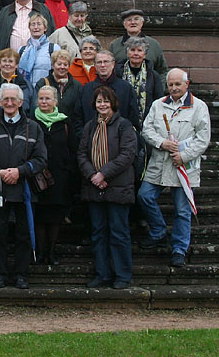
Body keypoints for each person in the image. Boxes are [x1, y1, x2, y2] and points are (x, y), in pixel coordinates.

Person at [138, 69, 211, 268]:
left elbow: (203, 138)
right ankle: (159, 231)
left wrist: (183, 156)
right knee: (144, 196)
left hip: (184, 167)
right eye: (170, 84)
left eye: (178, 84)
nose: (174, 88)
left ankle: (179, 249)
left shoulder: (199, 107)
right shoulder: (158, 104)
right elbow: (147, 129)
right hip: (159, 165)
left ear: (187, 85)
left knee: (182, 211)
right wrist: (162, 143)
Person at [0, 83, 47, 289]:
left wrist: (20, 171)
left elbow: (41, 159)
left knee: (23, 235)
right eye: (5, 99)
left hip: (25, 191)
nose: (9, 103)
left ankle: (21, 275)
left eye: (13, 99)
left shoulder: (33, 127)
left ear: (21, 102)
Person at [77, 85, 138, 289]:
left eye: (105, 101)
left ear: (113, 103)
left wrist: (104, 173)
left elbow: (128, 155)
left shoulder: (124, 125)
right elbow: (82, 154)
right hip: (94, 187)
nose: (102, 105)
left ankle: (122, 275)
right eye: (98, 101)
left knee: (119, 232)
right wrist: (93, 175)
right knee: (98, 233)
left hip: (118, 186)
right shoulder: (89, 127)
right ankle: (102, 274)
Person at [33, 85, 77, 265]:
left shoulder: (65, 123)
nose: (44, 102)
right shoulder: (31, 122)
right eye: (41, 99)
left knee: (55, 217)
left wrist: (68, 171)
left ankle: (51, 252)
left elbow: (73, 149)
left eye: (48, 99)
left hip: (60, 178)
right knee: (40, 217)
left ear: (55, 101)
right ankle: (40, 252)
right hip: (37, 177)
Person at [73, 50, 139, 139]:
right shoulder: (85, 90)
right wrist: (85, 138)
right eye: (99, 62)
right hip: (91, 142)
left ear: (113, 64)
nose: (103, 65)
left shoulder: (126, 88)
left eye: (106, 62)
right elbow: (78, 118)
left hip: (120, 142)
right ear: (95, 66)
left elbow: (133, 117)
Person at [115, 37, 164, 128]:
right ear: (127, 53)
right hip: (121, 121)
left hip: (147, 122)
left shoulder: (153, 75)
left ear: (145, 54)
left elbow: (159, 100)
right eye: (132, 50)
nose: (136, 53)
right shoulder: (117, 73)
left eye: (139, 50)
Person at [109, 9, 168, 79]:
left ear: (142, 23)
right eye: (129, 20)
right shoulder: (114, 45)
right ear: (124, 24)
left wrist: (159, 88)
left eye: (136, 19)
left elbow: (162, 71)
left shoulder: (154, 45)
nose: (133, 22)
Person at [0, 48, 35, 117]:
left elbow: (33, 109)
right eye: (4, 61)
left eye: (10, 61)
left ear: (16, 65)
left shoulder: (27, 87)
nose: (7, 64)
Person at [17, 13, 61, 86]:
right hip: (26, 91)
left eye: (39, 24)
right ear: (29, 28)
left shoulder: (53, 48)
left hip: (46, 90)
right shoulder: (22, 50)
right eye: (33, 24)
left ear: (45, 28)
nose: (36, 27)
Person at [34, 49, 80, 116]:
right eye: (59, 64)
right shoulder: (42, 83)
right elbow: (35, 107)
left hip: (69, 125)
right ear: (52, 65)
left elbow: (79, 112)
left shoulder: (76, 86)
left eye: (65, 64)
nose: (62, 67)